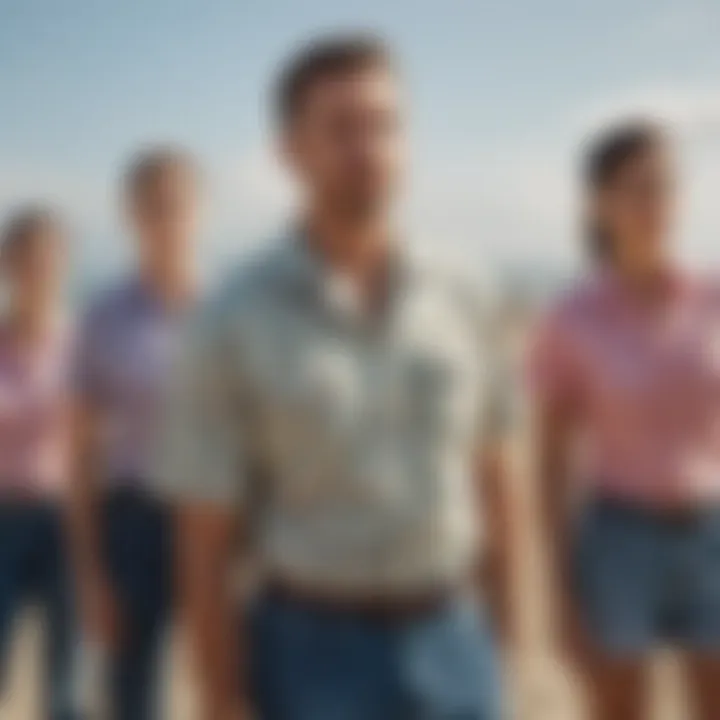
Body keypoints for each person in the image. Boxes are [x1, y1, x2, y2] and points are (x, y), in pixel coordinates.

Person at [159, 35, 517, 720]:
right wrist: (219, 697)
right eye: (343, 129)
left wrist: (503, 643)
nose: (370, 148)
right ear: (289, 151)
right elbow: (203, 539)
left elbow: (495, 477)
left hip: (454, 635)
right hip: (308, 651)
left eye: (386, 125)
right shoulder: (231, 318)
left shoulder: (468, 290)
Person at [531, 121, 720, 720]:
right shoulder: (571, 318)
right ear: (600, 204)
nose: (655, 204)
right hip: (618, 540)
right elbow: (550, 462)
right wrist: (560, 593)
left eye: (665, 187)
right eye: (637, 188)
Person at [68, 147, 201, 720]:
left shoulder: (234, 312)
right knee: (131, 697)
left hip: (218, 519)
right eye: (152, 207)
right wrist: (90, 573)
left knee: (238, 688)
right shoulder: (101, 317)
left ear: (200, 212)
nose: (166, 220)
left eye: (177, 206)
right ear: (130, 216)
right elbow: (80, 458)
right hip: (134, 522)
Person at [0, 207, 79, 720]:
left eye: (47, 259)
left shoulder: (84, 344)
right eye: (26, 258)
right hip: (2, 517)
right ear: (7, 265)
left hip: (67, 519)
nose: (37, 269)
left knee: (67, 670)